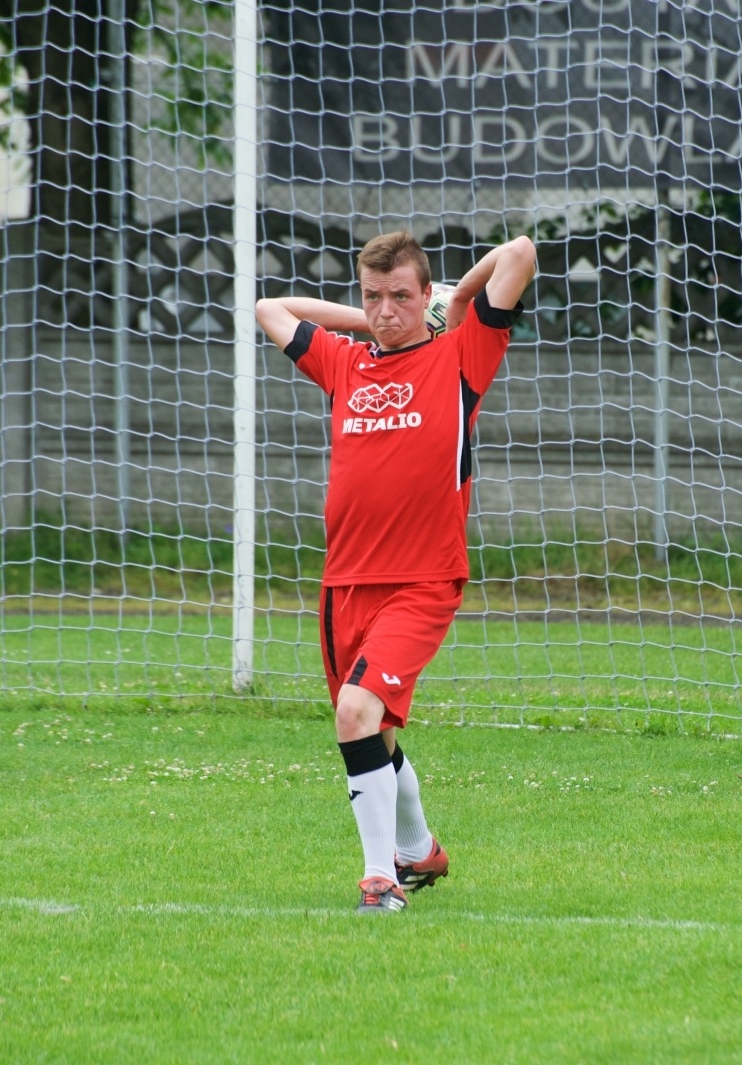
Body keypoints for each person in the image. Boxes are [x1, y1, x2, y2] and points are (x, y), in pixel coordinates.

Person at [256, 230, 536, 913]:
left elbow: (521, 252)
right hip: (343, 584)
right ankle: (417, 848)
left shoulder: (462, 356)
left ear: (426, 295)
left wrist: (452, 300)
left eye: (400, 295)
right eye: (372, 295)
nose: (385, 309)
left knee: (355, 712)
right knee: (371, 733)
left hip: (422, 580)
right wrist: (373, 318)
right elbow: (270, 308)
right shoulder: (345, 364)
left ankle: (380, 880)